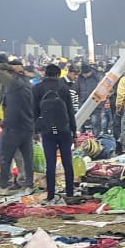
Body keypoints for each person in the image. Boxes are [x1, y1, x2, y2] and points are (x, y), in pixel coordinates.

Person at [33, 63, 77, 202]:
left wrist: (35, 131)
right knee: (67, 162)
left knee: (50, 163)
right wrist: (74, 132)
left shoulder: (37, 88)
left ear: (45, 73)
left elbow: (34, 111)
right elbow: (70, 111)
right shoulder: (63, 88)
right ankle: (70, 192)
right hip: (64, 130)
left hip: (47, 131)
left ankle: (51, 194)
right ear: (58, 74)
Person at [0, 56, 35, 190]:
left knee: (5, 157)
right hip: (28, 127)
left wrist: (10, 67)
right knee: (27, 159)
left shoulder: (12, 81)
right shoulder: (29, 83)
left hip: (12, 127)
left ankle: (4, 185)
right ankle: (28, 184)